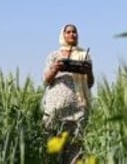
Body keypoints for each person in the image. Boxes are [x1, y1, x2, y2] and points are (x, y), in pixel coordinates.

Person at [41, 24, 95, 162]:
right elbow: (46, 80)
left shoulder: (84, 55)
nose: (72, 34)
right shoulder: (54, 55)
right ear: (63, 35)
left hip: (77, 111)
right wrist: (56, 69)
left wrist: (88, 71)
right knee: (53, 152)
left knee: (75, 152)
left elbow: (89, 84)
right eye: (68, 32)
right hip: (55, 111)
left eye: (74, 32)